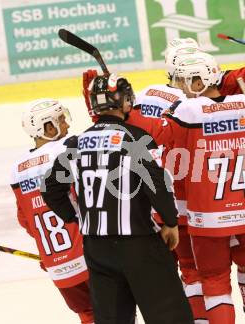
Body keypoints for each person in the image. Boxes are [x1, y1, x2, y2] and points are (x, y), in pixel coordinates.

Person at [41, 74, 194, 324]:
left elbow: (50, 188)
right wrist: (170, 221)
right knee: (170, 317)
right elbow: (156, 183)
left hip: (97, 249)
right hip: (139, 245)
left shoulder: (76, 144)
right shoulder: (135, 138)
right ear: (125, 101)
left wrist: (76, 218)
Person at [159, 51, 245, 324]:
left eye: (184, 83)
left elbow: (164, 151)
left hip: (207, 219)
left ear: (199, 82)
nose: (181, 90)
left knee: (214, 281)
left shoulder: (184, 111)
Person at [10, 98, 93, 324]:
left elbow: (26, 220)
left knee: (88, 316)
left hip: (60, 269)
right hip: (90, 257)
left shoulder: (17, 170)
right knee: (118, 313)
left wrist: (50, 251)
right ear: (48, 127)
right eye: (62, 120)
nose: (67, 125)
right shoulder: (66, 148)